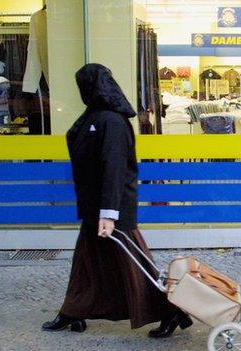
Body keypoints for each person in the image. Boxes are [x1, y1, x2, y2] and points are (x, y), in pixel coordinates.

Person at [41, 63, 192, 338]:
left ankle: (173, 310)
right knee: (87, 264)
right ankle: (73, 312)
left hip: (111, 208)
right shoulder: (95, 117)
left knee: (134, 264)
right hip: (95, 207)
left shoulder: (110, 121)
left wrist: (108, 215)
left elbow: (114, 167)